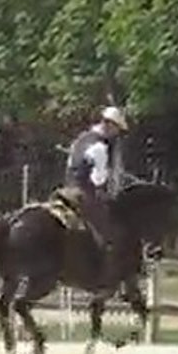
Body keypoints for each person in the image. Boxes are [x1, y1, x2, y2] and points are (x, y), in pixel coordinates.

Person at [63, 105, 129, 275]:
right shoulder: (100, 147)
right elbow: (98, 179)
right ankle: (102, 269)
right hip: (83, 193)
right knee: (107, 230)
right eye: (117, 129)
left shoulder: (81, 138)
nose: (116, 134)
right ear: (110, 125)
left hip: (67, 188)